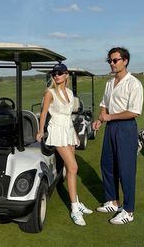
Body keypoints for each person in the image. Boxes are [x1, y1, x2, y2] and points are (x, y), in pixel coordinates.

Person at [36, 63, 93, 226]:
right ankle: (75, 209)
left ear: (66, 75)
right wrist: (40, 131)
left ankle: (76, 201)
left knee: (70, 170)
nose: (56, 76)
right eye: (54, 73)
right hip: (57, 132)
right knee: (74, 167)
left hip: (68, 131)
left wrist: (74, 134)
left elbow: (69, 115)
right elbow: (44, 113)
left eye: (60, 73)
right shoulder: (50, 92)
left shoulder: (69, 92)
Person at [93, 47, 143, 225]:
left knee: (126, 169)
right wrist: (100, 119)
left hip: (126, 127)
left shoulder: (134, 83)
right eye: (110, 61)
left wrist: (109, 117)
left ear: (125, 61)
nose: (112, 64)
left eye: (115, 60)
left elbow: (134, 112)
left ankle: (128, 211)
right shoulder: (109, 83)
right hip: (110, 128)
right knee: (107, 164)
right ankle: (113, 202)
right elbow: (104, 104)